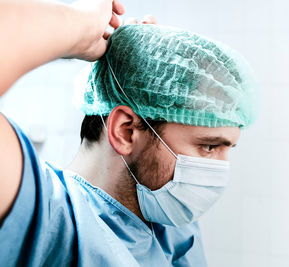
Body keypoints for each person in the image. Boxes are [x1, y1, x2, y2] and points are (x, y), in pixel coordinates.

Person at [0, 0, 257, 266]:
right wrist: (81, 27)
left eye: (228, 149)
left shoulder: (171, 225)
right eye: (209, 147)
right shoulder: (48, 215)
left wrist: (146, 65)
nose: (220, 169)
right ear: (126, 131)